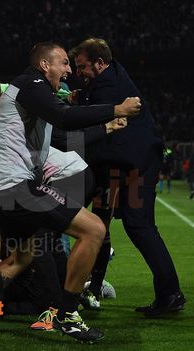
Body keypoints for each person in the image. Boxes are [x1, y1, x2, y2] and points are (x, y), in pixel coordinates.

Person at [0, 42, 141, 343]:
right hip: (13, 185)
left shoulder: (35, 100)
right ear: (44, 65)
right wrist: (117, 108)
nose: (69, 70)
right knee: (93, 230)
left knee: (20, 258)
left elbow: (65, 140)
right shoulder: (30, 83)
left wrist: (107, 127)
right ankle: (68, 315)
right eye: (64, 63)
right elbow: (63, 117)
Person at [71, 38, 185, 317]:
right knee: (131, 225)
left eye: (83, 67)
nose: (79, 73)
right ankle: (167, 293)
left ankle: (169, 293)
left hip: (136, 165)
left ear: (100, 63)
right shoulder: (111, 76)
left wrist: (80, 100)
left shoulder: (108, 83)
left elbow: (96, 117)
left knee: (139, 226)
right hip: (133, 162)